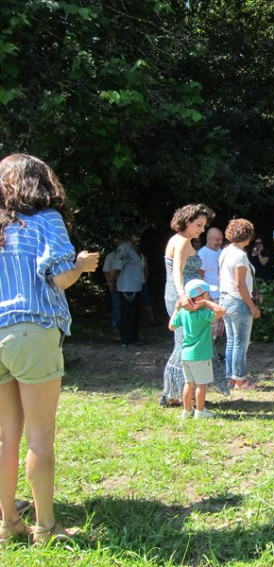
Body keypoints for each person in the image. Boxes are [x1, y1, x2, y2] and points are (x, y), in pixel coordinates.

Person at [0, 154, 100, 544]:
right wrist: (81, 264)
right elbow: (60, 278)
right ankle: (46, 527)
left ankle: (7, 524)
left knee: (6, 437)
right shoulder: (45, 220)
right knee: (40, 438)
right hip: (31, 330)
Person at [162, 203, 218, 406]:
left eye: (204, 226)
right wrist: (182, 295)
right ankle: (175, 395)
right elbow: (177, 270)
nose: (202, 230)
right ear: (187, 222)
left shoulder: (177, 239)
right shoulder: (183, 242)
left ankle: (181, 394)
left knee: (185, 341)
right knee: (186, 343)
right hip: (183, 297)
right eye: (199, 225)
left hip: (183, 295)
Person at [169, 279, 226, 419]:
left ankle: (187, 411)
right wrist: (207, 303)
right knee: (201, 385)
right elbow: (222, 311)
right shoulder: (203, 313)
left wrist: (176, 309)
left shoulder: (183, 312)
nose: (210, 296)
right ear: (200, 297)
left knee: (189, 383)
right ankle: (200, 411)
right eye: (208, 294)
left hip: (186, 354)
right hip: (201, 355)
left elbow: (171, 326)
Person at [219, 219, 261, 390]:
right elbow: (240, 284)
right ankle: (240, 381)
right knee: (240, 343)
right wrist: (252, 306)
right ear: (247, 235)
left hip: (225, 299)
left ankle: (231, 378)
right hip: (238, 301)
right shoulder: (240, 255)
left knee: (231, 341)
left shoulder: (225, 252)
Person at [110, 233, 145, 347]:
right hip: (127, 287)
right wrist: (111, 281)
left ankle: (134, 337)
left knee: (135, 313)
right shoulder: (124, 249)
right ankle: (126, 339)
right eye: (136, 235)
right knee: (127, 314)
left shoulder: (132, 250)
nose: (138, 238)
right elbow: (116, 267)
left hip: (136, 287)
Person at [198, 227, 225, 350]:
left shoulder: (220, 252)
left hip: (221, 294)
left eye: (221, 239)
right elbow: (199, 277)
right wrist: (205, 296)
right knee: (210, 328)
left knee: (219, 330)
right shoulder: (202, 254)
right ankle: (209, 354)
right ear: (208, 239)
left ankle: (214, 354)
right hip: (211, 296)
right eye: (217, 240)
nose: (220, 242)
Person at [102, 241, 121, 332]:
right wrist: (110, 283)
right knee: (116, 305)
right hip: (114, 282)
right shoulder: (110, 256)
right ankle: (115, 325)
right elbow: (106, 271)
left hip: (123, 282)